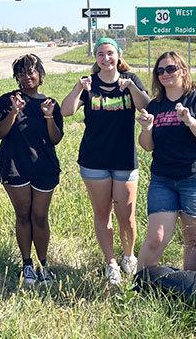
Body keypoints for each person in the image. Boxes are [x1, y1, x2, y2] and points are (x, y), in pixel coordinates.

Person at [61, 38, 150, 287]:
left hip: (124, 159)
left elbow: (145, 106)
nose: (106, 58)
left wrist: (130, 86)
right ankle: (111, 263)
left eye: (110, 53)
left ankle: (129, 257)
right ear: (96, 58)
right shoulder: (89, 84)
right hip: (94, 160)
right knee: (102, 213)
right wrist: (79, 88)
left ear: (118, 55)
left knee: (127, 215)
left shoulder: (130, 79)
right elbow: (66, 111)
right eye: (100, 54)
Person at [136, 51, 196, 273]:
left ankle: (190, 289)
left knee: (194, 238)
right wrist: (147, 128)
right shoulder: (156, 105)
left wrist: (190, 121)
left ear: (183, 71)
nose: (165, 73)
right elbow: (148, 146)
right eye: (160, 70)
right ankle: (141, 287)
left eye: (171, 68)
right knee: (156, 237)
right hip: (163, 179)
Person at [0, 54, 63, 287]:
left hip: (44, 167)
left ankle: (44, 265)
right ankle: (27, 264)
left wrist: (49, 116)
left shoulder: (50, 103)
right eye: (21, 73)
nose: (26, 77)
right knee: (23, 215)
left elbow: (55, 139)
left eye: (30, 72)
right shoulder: (7, 100)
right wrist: (13, 112)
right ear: (17, 77)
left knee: (40, 217)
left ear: (40, 75)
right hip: (14, 166)